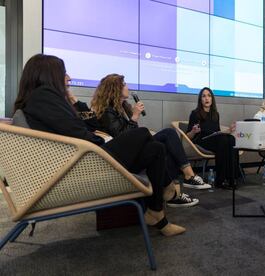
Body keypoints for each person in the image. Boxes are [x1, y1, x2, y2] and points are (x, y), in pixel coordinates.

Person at [14, 53, 185, 236]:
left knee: (155, 148)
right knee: (143, 133)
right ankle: (167, 187)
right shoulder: (45, 98)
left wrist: (72, 100)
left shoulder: (39, 100)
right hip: (87, 162)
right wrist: (100, 140)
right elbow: (80, 133)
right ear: (48, 75)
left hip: (82, 159)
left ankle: (157, 213)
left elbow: (88, 124)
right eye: (64, 73)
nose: (69, 78)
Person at [89, 74, 210, 202]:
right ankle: (187, 178)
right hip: (124, 155)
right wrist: (135, 117)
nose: (127, 86)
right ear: (115, 89)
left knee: (166, 141)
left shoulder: (123, 107)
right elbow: (122, 138)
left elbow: (132, 134)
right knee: (163, 138)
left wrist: (134, 119)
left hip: (134, 149)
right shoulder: (108, 111)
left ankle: (176, 190)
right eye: (124, 84)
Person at [186, 87, 238, 189]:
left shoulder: (215, 114)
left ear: (212, 99)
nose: (207, 98)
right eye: (204, 96)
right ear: (200, 99)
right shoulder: (195, 113)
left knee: (231, 139)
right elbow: (188, 136)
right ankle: (220, 180)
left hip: (215, 139)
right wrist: (193, 131)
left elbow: (217, 132)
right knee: (223, 140)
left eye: (209, 96)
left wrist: (228, 131)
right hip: (202, 140)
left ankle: (232, 178)